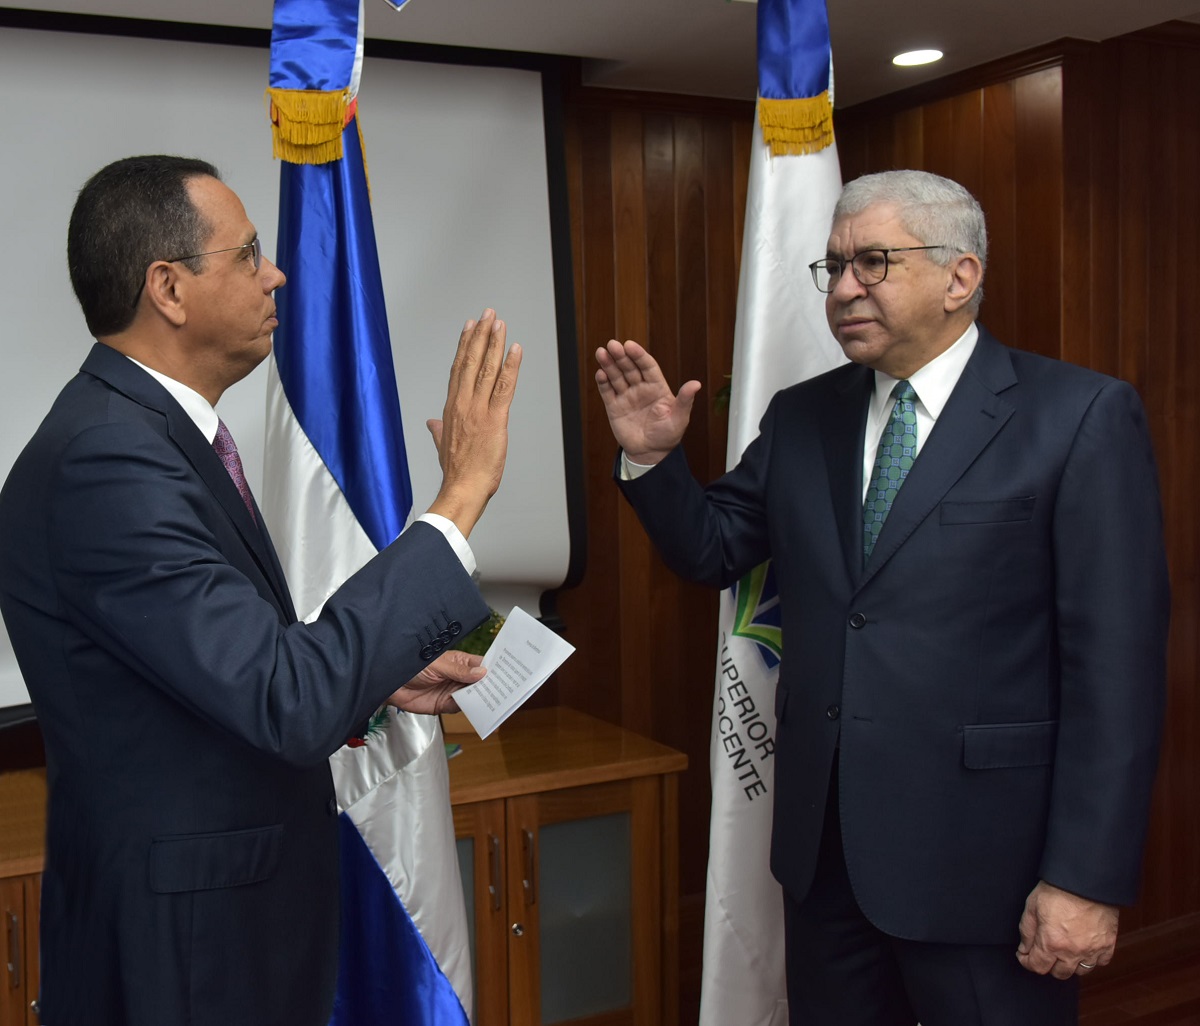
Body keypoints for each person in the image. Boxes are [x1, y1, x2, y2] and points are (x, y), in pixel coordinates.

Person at [595, 170, 1169, 1026]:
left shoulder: (1076, 416)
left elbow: (1117, 673)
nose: (846, 288)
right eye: (834, 267)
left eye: (874, 261)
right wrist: (652, 460)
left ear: (960, 277)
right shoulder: (803, 418)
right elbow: (715, 550)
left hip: (989, 870)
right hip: (827, 865)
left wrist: (1084, 878)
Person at [0, 155, 521, 1026]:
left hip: (219, 937)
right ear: (168, 287)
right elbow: (284, 697)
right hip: (185, 961)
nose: (276, 272)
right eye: (247, 256)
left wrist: (371, 686)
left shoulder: (154, 437)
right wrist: (459, 496)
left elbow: (223, 677)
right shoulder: (108, 460)